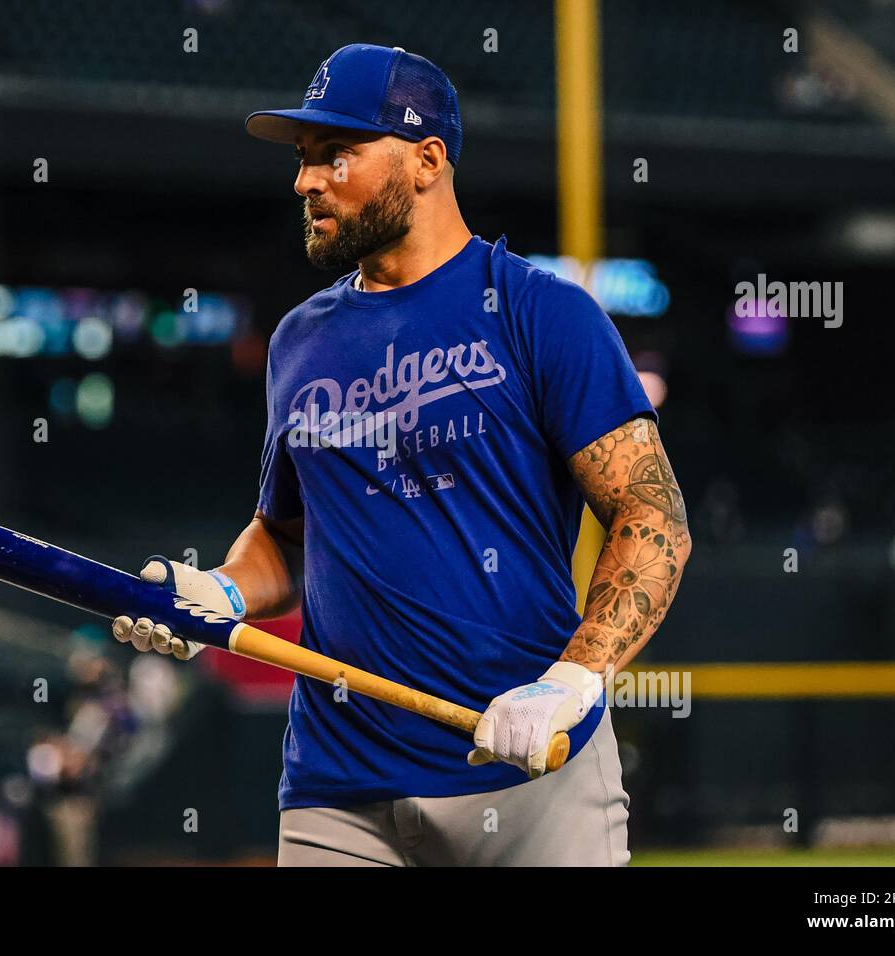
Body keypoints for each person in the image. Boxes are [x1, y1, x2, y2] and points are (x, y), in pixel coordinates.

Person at [113, 43, 691, 866]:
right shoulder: (299, 342)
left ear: (426, 161)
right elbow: (286, 536)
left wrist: (574, 681)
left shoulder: (542, 314)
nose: (305, 182)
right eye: (305, 160)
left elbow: (653, 517)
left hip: (531, 774)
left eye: (335, 155)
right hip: (338, 786)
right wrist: (219, 590)